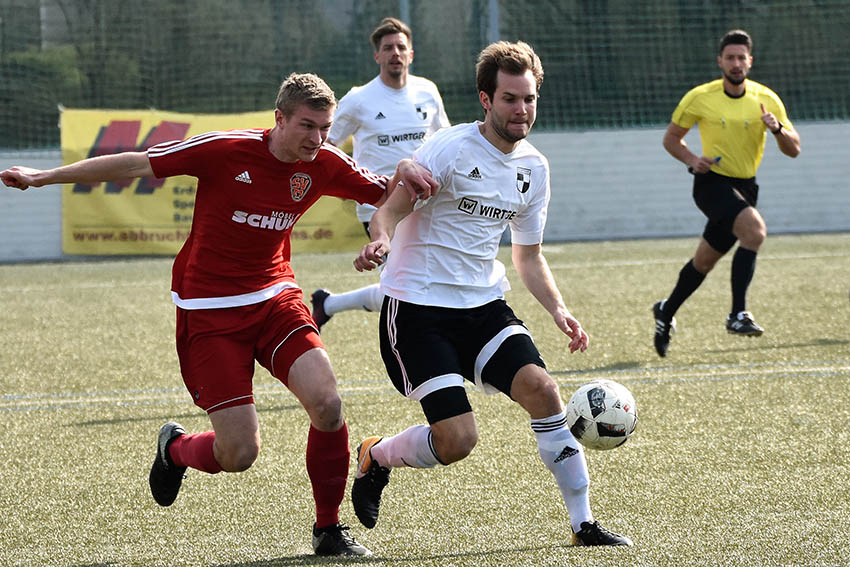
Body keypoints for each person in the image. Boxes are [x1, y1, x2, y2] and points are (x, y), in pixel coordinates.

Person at [0, 72, 435, 557]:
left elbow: (388, 195)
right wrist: (43, 177)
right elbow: (134, 164)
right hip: (208, 311)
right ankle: (175, 450)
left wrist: (403, 169)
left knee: (328, 405)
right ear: (279, 119)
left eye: (326, 128)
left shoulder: (326, 162)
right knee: (239, 454)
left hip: (275, 298)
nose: (317, 139)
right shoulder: (226, 150)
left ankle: (328, 530)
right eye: (307, 126)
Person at [349, 41, 632, 547]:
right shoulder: (450, 149)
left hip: (482, 307)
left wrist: (559, 309)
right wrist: (381, 240)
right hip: (417, 309)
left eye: (528, 98)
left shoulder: (535, 169)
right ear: (486, 99)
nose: (521, 109)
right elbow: (388, 210)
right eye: (509, 99)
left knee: (545, 393)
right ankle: (377, 453)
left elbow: (527, 254)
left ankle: (583, 523)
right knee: (458, 441)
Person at [652, 29, 801, 357]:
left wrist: (776, 128)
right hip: (712, 184)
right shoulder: (700, 97)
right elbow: (671, 139)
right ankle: (737, 314)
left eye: (741, 58)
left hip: (746, 187)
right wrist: (693, 160)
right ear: (720, 61)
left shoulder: (766, 98)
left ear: (750, 61)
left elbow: (794, 149)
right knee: (755, 231)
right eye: (730, 57)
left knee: (704, 261)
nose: (736, 63)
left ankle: (666, 309)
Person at [310, 16, 449, 331]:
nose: (395, 53)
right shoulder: (359, 99)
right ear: (377, 56)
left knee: (414, 287)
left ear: (411, 54)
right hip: (380, 207)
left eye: (401, 47)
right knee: (408, 289)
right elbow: (325, 145)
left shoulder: (428, 91)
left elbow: (444, 141)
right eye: (388, 48)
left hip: (427, 203)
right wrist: (344, 184)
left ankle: (328, 304)